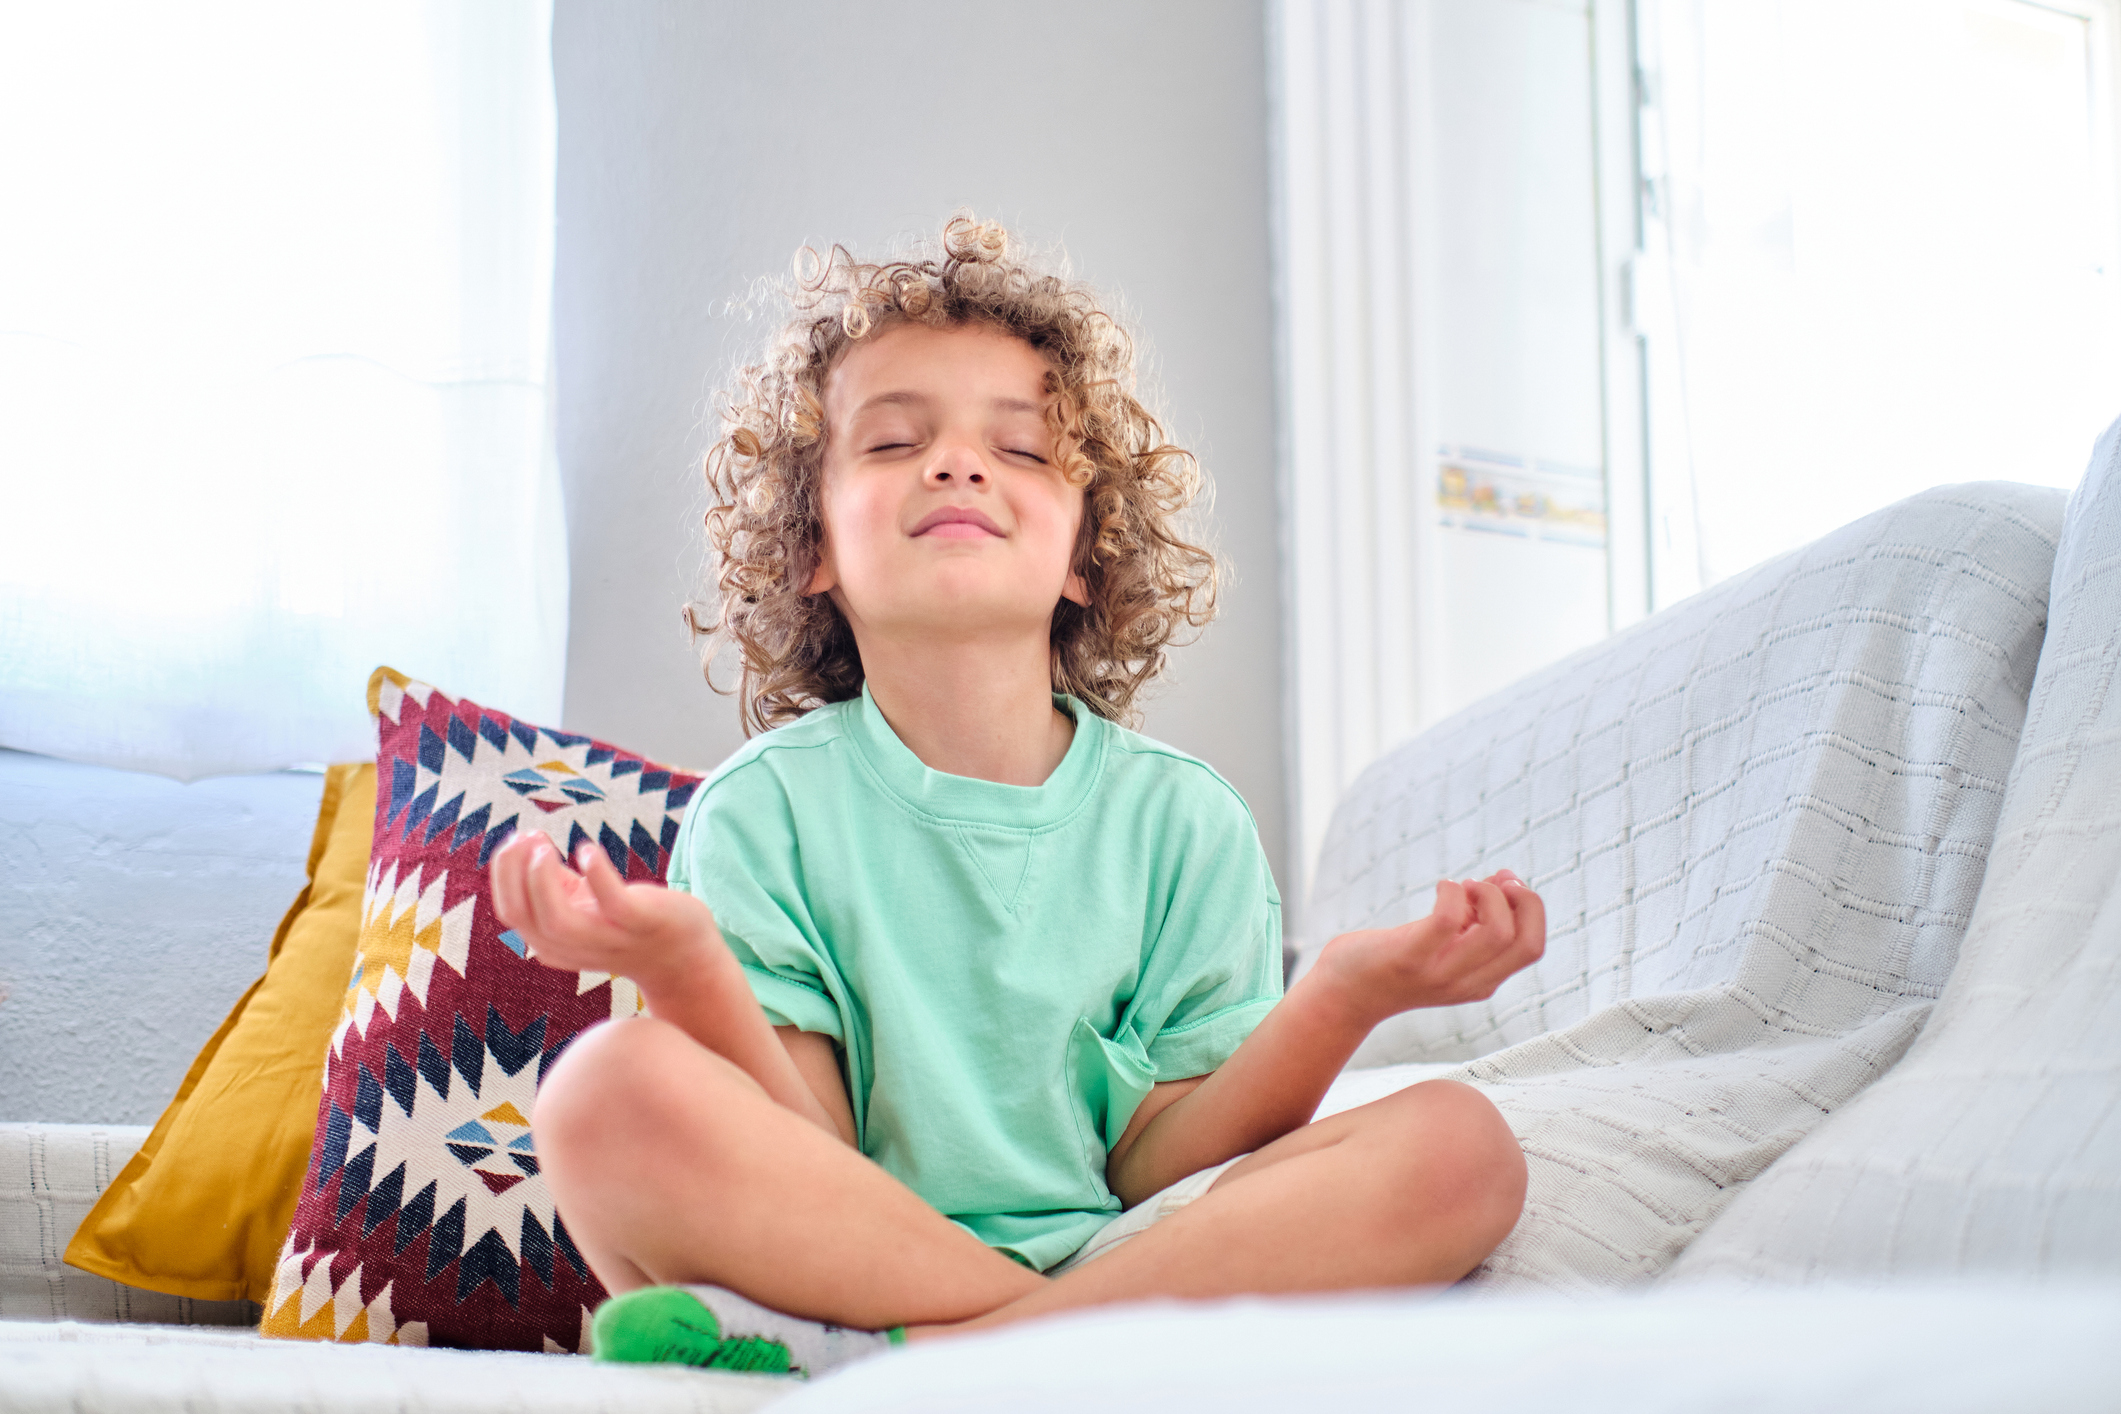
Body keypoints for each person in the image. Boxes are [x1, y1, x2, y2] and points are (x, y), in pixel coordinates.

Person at [489, 217, 1544, 1377]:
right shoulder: (763, 813)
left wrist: (1344, 992)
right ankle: (1007, 1350)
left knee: (1465, 1148)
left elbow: (1160, 1166)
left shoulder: (1184, 826)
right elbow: (811, 1157)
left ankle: (926, 1360)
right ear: (812, 548)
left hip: (1121, 1249)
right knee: (603, 1092)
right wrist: (686, 968)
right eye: (894, 441)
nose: (957, 463)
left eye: (1025, 451)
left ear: (1087, 553)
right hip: (838, 1261)